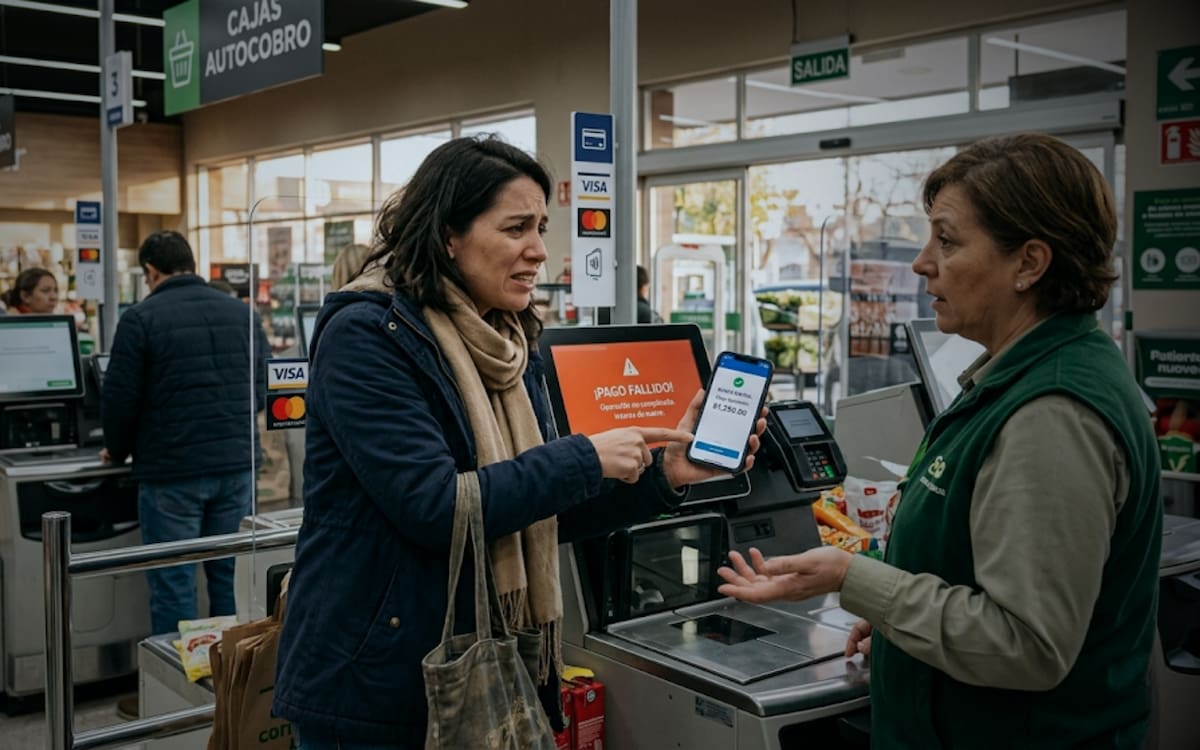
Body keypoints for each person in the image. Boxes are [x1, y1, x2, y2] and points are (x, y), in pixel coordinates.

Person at [273, 135, 765, 749]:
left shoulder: (508, 345)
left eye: (540, 227)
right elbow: (434, 507)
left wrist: (665, 474)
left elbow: (538, 510)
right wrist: (583, 456)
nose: (538, 251)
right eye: (515, 229)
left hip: (488, 664)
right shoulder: (368, 337)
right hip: (375, 685)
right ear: (448, 236)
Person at [717, 133, 1161, 749]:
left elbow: (1026, 645)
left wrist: (851, 576)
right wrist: (907, 630)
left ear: (1029, 263)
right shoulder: (1020, 379)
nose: (923, 261)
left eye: (947, 241)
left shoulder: (1051, 413)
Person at [101, 231, 269, 636]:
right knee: (229, 577)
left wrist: (117, 450)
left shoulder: (140, 318)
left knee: (174, 583)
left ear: (151, 272)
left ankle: (176, 693)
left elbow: (120, 401)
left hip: (171, 474)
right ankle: (228, 684)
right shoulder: (242, 314)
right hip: (235, 467)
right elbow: (263, 391)